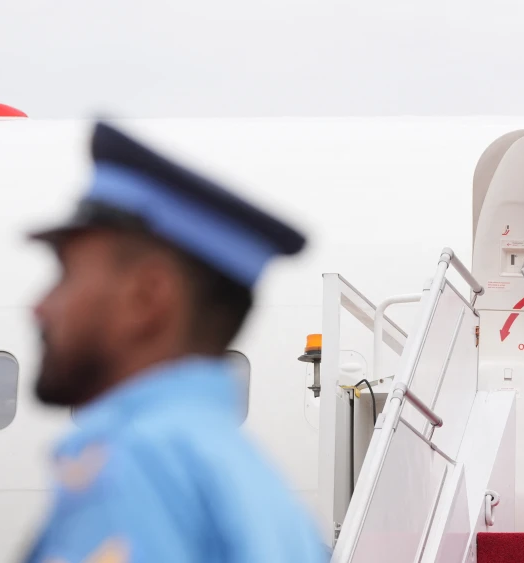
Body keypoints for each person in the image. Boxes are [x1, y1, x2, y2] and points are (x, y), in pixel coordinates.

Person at [21, 121, 330, 562]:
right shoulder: (258, 488)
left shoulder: (134, 464)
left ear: (148, 298)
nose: (40, 307)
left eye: (66, 274)